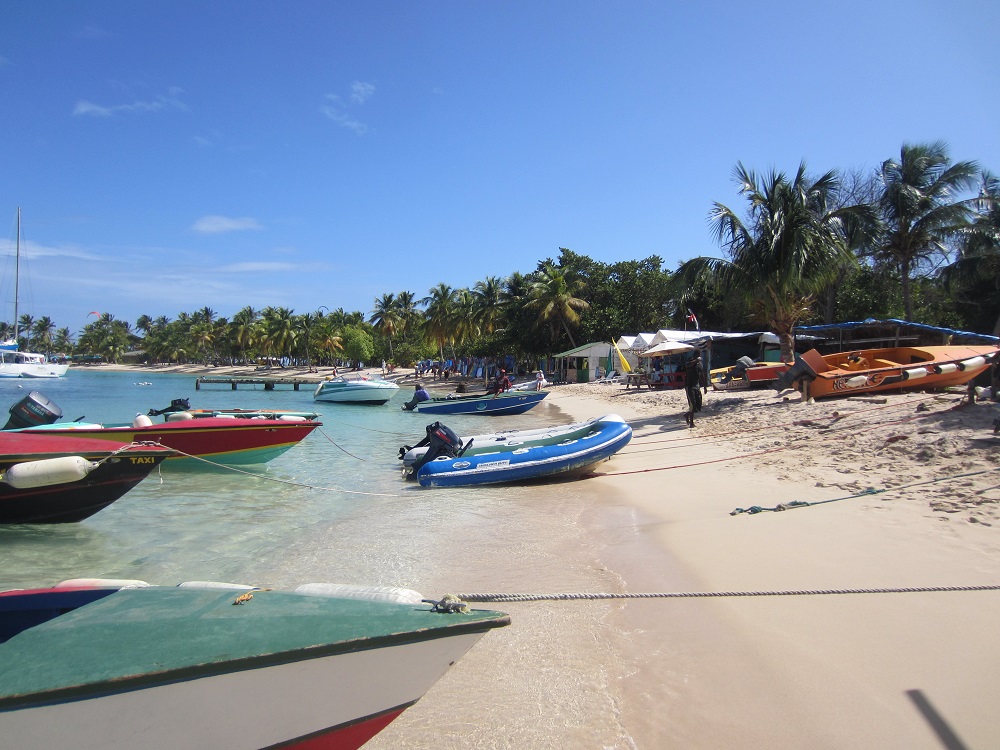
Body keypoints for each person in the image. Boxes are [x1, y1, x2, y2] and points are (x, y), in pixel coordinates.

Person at [684, 353, 703, 428]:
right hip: (689, 386)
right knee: (692, 403)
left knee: (698, 405)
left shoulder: (699, 364)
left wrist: (704, 386)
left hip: (697, 386)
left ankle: (687, 415)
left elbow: (701, 374)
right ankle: (691, 423)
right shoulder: (690, 362)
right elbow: (687, 365)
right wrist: (695, 361)